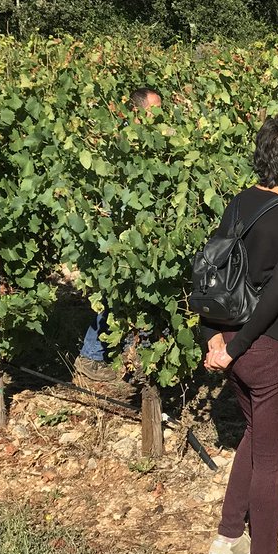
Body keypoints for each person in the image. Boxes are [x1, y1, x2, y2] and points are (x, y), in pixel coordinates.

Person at [204, 116, 278, 554]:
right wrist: (239, 346)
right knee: (272, 461)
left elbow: (212, 268)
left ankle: (229, 536)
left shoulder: (239, 203)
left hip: (229, 338)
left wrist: (216, 337)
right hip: (267, 348)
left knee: (253, 433)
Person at [74, 86, 162, 383]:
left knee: (132, 299)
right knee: (118, 299)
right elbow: (115, 201)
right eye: (156, 109)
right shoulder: (122, 145)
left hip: (140, 234)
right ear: (138, 111)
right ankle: (99, 359)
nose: (162, 115)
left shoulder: (152, 142)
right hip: (121, 238)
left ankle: (126, 359)